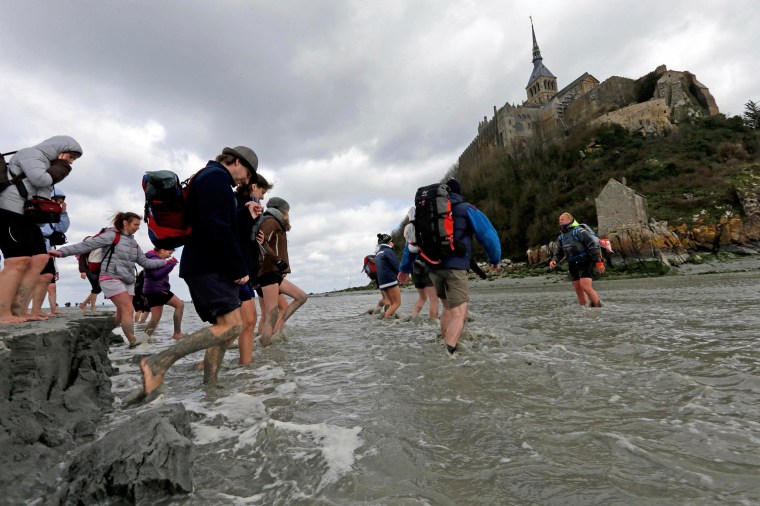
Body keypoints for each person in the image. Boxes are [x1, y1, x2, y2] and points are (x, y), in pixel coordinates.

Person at [139, 145, 259, 395]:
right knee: (233, 327)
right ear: (235, 161)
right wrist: (237, 267)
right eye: (247, 173)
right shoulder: (216, 178)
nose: (245, 181)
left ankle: (211, 387)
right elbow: (216, 228)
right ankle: (156, 362)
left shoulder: (206, 176)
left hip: (205, 263)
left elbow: (213, 220)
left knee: (224, 327)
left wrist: (243, 213)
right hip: (209, 265)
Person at [398, 179, 501, 355]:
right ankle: (449, 353)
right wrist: (494, 258)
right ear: (458, 193)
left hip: (433, 269)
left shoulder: (426, 213)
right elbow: (488, 235)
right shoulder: (465, 208)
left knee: (446, 307)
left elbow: (412, 243)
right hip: (455, 267)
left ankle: (444, 342)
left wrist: (404, 268)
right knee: (460, 312)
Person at [50, 212, 169, 346]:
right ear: (125, 223)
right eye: (135, 224)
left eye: (138, 225)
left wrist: (163, 262)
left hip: (128, 280)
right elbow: (86, 246)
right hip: (110, 277)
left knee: (120, 315)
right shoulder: (112, 235)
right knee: (128, 309)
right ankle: (133, 342)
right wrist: (62, 252)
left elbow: (144, 262)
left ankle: (101, 334)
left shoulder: (134, 243)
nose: (137, 227)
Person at [0, 136, 81, 323]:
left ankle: (20, 310)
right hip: (8, 211)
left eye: (72, 160)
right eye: (70, 157)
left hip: (28, 217)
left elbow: (42, 192)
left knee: (40, 258)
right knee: (17, 261)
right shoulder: (31, 154)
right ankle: (3, 313)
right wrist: (62, 165)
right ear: (59, 149)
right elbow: (40, 179)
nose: (70, 162)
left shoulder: (47, 163)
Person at [257, 197, 308, 347]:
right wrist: (278, 261)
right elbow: (261, 242)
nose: (288, 214)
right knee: (270, 316)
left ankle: (270, 336)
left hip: (271, 272)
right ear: (283, 210)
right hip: (268, 271)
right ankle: (265, 346)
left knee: (301, 297)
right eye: (287, 211)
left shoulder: (274, 222)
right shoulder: (270, 221)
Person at [234, 173, 270, 363]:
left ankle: (246, 369)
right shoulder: (237, 201)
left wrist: (258, 239)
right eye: (262, 191)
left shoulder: (248, 205)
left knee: (248, 320)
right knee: (233, 324)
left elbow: (244, 235)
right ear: (254, 186)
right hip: (236, 270)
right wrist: (245, 213)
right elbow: (229, 231)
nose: (263, 197)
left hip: (245, 269)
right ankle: (205, 368)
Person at [549, 212, 605, 307]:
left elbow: (592, 246)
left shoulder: (579, 231)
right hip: (572, 263)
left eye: (562, 219)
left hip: (585, 260)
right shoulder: (561, 237)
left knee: (586, 287)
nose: (560, 221)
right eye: (559, 220)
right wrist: (554, 260)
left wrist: (598, 262)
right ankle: (584, 310)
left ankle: (598, 308)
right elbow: (558, 252)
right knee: (578, 289)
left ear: (570, 220)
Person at [35, 188, 70, 316]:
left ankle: (52, 309)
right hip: (35, 251)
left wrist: (63, 213)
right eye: (58, 201)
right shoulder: (38, 211)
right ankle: (32, 310)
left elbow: (62, 228)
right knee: (34, 282)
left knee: (51, 284)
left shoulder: (53, 217)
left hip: (48, 254)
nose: (59, 204)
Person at [403, 206, 438, 319]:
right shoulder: (426, 228)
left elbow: (406, 253)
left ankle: (413, 317)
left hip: (414, 269)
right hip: (426, 266)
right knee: (434, 299)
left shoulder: (409, 232)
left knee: (422, 297)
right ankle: (433, 322)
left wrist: (403, 270)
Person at [142, 247, 183, 340]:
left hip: (151, 290)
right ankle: (177, 333)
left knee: (155, 318)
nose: (170, 255)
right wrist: (171, 264)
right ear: (162, 250)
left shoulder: (151, 258)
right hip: (158, 289)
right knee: (180, 305)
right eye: (169, 252)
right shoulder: (154, 259)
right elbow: (157, 275)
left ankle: (143, 340)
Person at [374, 233, 401, 319]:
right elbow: (396, 265)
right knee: (397, 303)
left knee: (390, 302)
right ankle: (385, 321)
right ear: (388, 242)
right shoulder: (388, 251)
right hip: (390, 280)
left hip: (381, 282)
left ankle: (385, 318)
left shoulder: (378, 253)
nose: (393, 243)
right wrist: (402, 276)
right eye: (392, 241)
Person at [77, 235, 102, 312]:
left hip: (98, 270)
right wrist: (83, 271)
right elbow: (81, 260)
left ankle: (84, 304)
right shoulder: (85, 249)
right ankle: (92, 307)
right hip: (88, 269)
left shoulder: (96, 248)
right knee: (96, 288)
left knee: (98, 288)